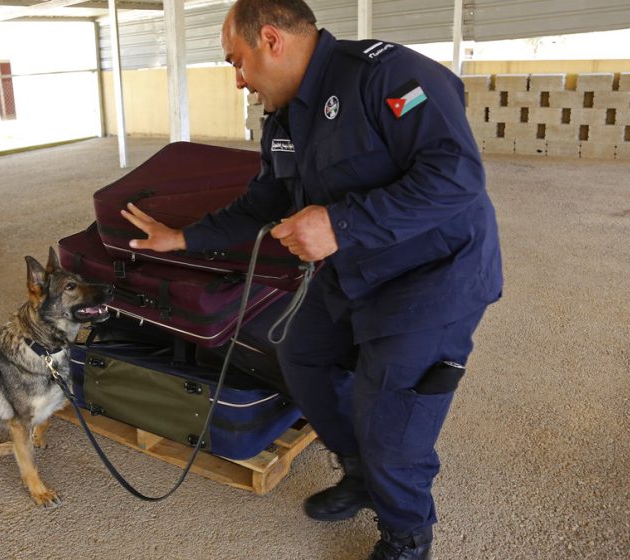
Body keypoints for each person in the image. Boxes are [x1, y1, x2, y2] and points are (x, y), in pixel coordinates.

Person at [121, 1, 503, 558]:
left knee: (390, 420)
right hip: (355, 269)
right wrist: (181, 239)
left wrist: (339, 222)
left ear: (270, 40)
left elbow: (457, 174)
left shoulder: (387, 73)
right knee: (301, 354)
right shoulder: (284, 118)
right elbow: (264, 202)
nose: (238, 81)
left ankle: (406, 535)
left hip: (432, 277)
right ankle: (359, 470)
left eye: (237, 62)